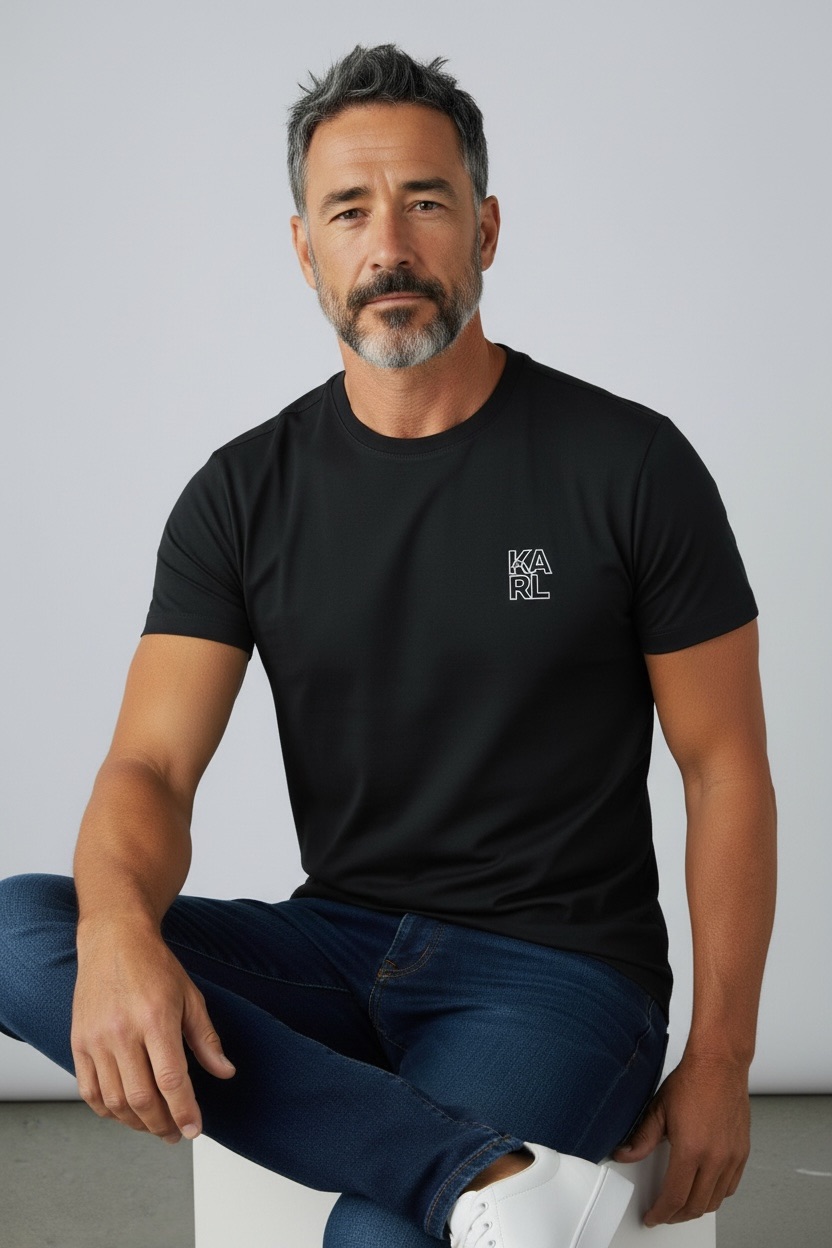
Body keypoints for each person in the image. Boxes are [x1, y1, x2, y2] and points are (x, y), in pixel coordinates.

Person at [0, 44, 776, 1248]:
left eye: (425, 202)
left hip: (558, 973)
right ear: (304, 248)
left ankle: (428, 1172)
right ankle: (477, 1174)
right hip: (337, 943)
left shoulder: (630, 466)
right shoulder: (241, 494)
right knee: (22, 930)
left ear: (486, 229)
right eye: (349, 211)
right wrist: (114, 936)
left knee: (374, 1240)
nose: (388, 247)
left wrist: (722, 1057)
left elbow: (724, 766)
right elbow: (149, 767)